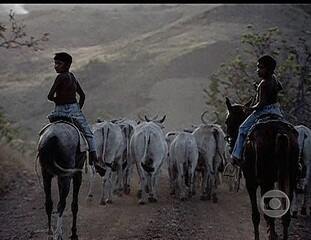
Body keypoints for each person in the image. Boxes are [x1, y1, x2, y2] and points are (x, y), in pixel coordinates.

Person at [47, 52, 105, 175]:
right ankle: (95, 160)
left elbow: (49, 96)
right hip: (74, 110)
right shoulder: (72, 77)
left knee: (47, 131)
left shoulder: (60, 77)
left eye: (59, 63)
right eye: (55, 63)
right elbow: (82, 96)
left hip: (59, 111)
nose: (56, 66)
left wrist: (58, 100)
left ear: (67, 65)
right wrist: (77, 109)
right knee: (88, 133)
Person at [230, 55, 284, 166]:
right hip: (276, 110)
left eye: (260, 68)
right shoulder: (274, 78)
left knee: (242, 129)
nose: (258, 70)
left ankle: (236, 155)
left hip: (264, 111)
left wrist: (249, 109)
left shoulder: (263, 84)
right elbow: (279, 87)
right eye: (258, 67)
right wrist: (259, 90)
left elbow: (261, 104)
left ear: (268, 69)